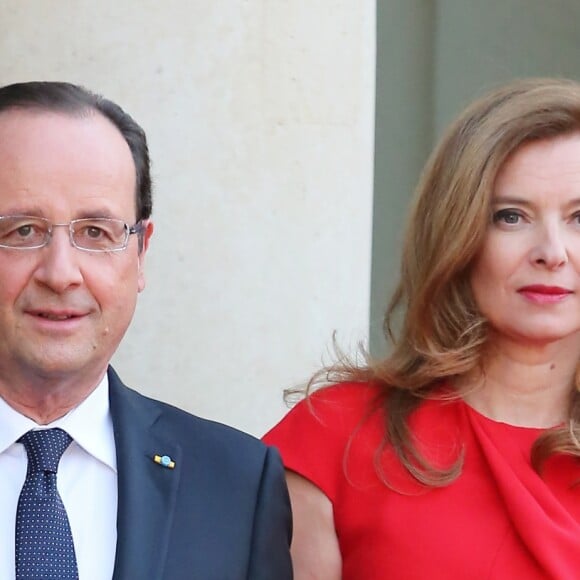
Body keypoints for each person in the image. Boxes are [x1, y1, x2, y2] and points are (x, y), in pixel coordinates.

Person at [263, 77, 580, 579]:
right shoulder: (335, 438)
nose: (552, 252)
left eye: (579, 217)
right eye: (511, 217)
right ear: (458, 233)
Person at [0, 81, 292, 580]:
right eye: (22, 230)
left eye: (96, 232)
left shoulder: (237, 485)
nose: (61, 272)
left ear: (140, 254)